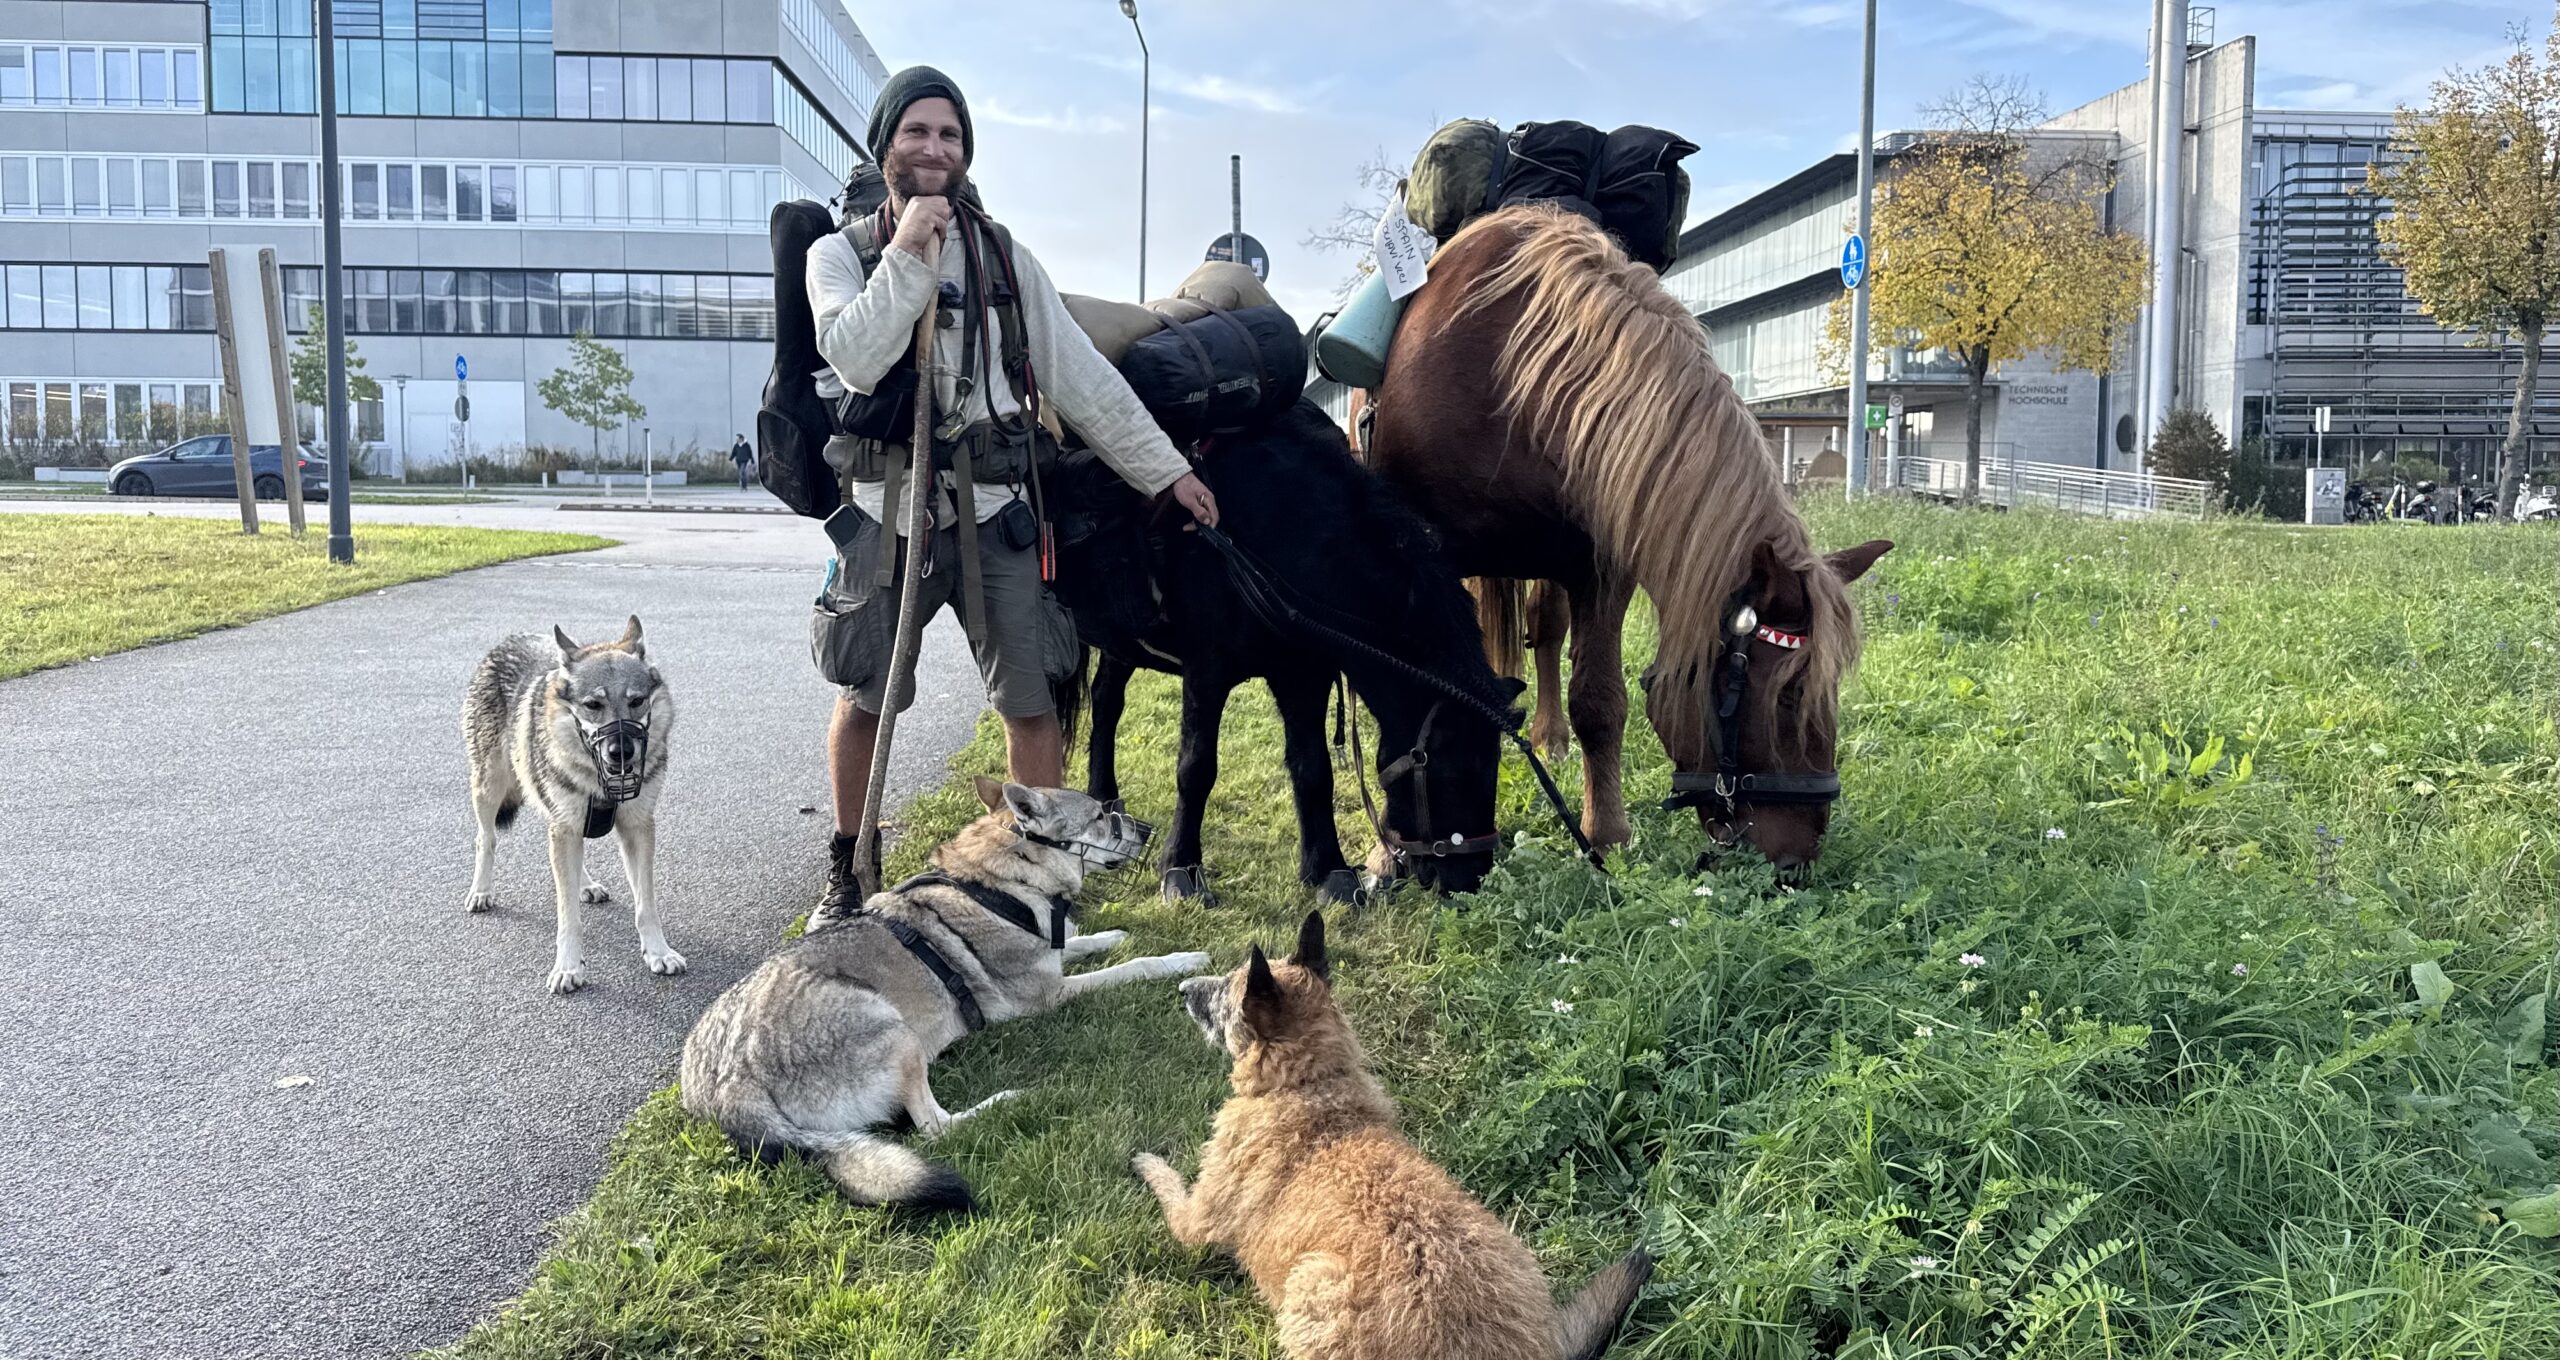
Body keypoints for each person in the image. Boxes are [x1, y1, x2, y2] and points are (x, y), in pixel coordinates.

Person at [806, 65, 1219, 915]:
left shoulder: (1004, 257)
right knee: (867, 700)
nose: (934, 148)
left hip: (995, 515)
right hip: (888, 519)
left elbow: (1082, 378)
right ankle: (849, 869)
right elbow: (855, 358)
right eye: (917, 131)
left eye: (950, 134)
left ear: (965, 151)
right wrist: (907, 254)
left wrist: (1168, 471)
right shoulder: (838, 255)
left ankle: (1040, 881)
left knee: (1031, 704)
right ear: (885, 146)